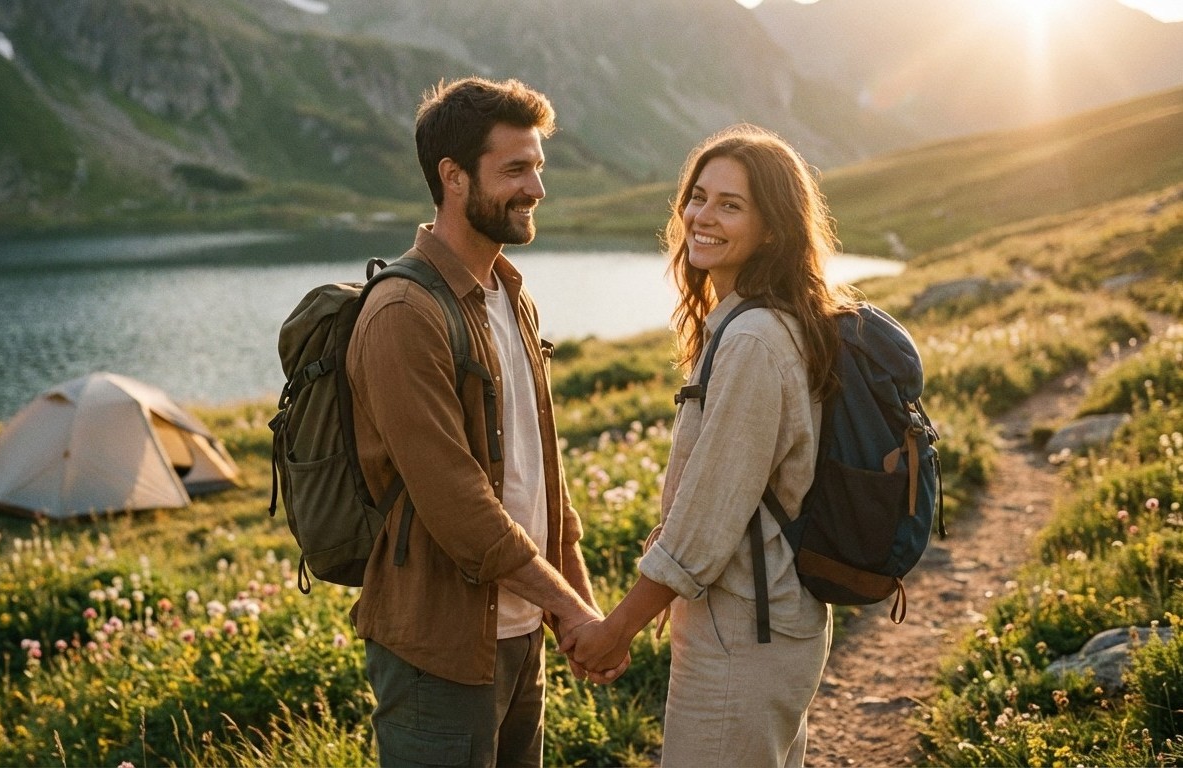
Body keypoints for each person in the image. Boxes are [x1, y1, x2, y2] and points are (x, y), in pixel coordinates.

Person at [346, 76, 624, 768]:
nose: (536, 188)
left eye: (538, 167)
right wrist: (574, 612)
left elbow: (541, 472)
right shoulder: (404, 313)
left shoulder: (510, 294)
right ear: (454, 177)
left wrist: (574, 605)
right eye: (515, 170)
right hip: (439, 649)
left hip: (519, 632)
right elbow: (456, 503)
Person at [561, 123, 855, 767]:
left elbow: (708, 518)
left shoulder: (752, 340)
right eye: (697, 197)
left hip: (744, 636)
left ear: (772, 228)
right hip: (762, 623)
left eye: (731, 204)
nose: (702, 216)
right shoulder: (763, 322)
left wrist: (617, 628)